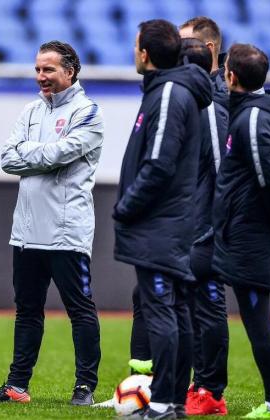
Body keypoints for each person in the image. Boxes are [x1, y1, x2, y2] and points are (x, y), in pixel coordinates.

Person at [0, 41, 104, 406]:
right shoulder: (31, 110)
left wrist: (30, 153)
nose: (41, 77)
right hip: (26, 231)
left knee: (79, 310)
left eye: (48, 70)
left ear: (70, 71)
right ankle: (16, 386)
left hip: (67, 232)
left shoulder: (89, 112)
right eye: (37, 69)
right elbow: (7, 158)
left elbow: (58, 154)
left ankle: (84, 387)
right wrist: (41, 155)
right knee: (27, 311)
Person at [113, 19, 212, 419]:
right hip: (170, 223)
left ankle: (166, 402)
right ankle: (171, 403)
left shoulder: (170, 92)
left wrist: (126, 206)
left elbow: (158, 164)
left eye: (136, 46)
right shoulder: (169, 90)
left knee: (162, 313)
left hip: (159, 225)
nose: (134, 52)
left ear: (145, 53)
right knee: (177, 313)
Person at [213, 44, 270, 419]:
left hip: (250, 235)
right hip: (245, 230)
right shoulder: (265, 112)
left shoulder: (253, 121)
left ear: (231, 76)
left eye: (224, 71)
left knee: (257, 320)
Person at [178, 18, 232, 416]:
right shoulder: (193, 94)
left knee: (208, 304)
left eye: (186, 45)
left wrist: (212, 223)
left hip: (208, 223)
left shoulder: (214, 100)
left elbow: (218, 166)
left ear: (208, 49)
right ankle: (192, 384)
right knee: (188, 304)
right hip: (188, 219)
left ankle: (210, 390)